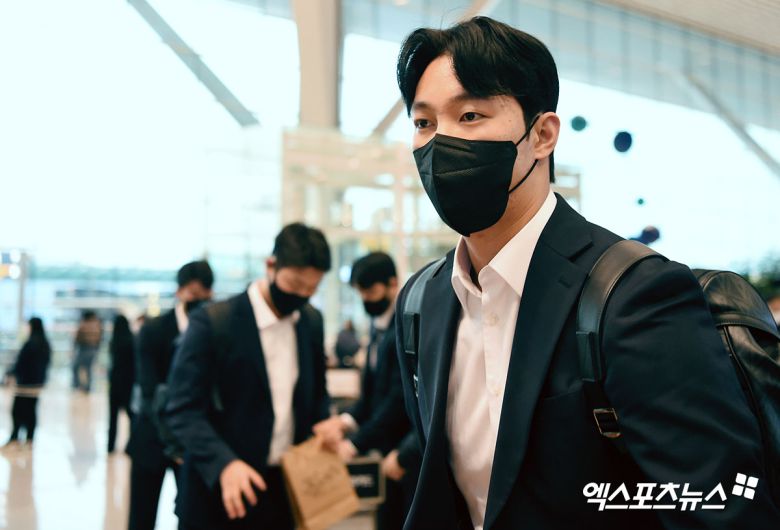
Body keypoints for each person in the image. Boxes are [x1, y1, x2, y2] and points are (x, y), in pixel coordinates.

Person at [393, 16, 780, 529]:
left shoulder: (634, 294)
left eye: (469, 116)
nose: (441, 141)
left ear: (542, 135)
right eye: (424, 123)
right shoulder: (422, 301)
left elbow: (719, 507)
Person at [165, 223, 332, 530]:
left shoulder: (310, 322)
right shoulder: (214, 322)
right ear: (271, 265)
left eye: (312, 288)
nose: (302, 295)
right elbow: (182, 409)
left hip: (282, 489)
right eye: (295, 284)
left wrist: (325, 423)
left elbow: (317, 392)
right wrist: (224, 464)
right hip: (218, 491)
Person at [315, 252, 420, 530]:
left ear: (392, 283)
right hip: (384, 451)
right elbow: (374, 395)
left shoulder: (408, 325)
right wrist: (345, 421)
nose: (366, 300)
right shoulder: (377, 327)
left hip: (407, 452)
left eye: (371, 292)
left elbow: (399, 399)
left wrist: (355, 444)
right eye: (360, 293)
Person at [126, 260, 214, 530]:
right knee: (142, 517)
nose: (199, 300)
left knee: (192, 518)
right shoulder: (154, 329)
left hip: (194, 444)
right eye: (193, 293)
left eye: (205, 294)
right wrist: (174, 443)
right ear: (179, 291)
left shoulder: (215, 330)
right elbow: (149, 389)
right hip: (152, 436)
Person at [6, 317, 51, 448]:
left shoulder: (30, 343)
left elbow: (21, 363)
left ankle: (15, 437)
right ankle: (29, 439)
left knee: (17, 410)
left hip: (25, 383)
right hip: (37, 383)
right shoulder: (45, 343)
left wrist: (10, 374)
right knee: (31, 410)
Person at [107, 314, 135, 453]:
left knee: (112, 417)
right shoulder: (132, 340)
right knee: (132, 416)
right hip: (128, 382)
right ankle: (131, 446)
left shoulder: (113, 342)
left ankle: (110, 446)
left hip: (115, 382)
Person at [72, 310, 102, 392]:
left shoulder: (83, 325)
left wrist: (74, 348)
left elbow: (77, 338)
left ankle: (77, 385)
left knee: (76, 366)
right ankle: (87, 387)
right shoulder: (97, 325)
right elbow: (99, 339)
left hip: (84, 348)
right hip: (93, 349)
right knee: (88, 368)